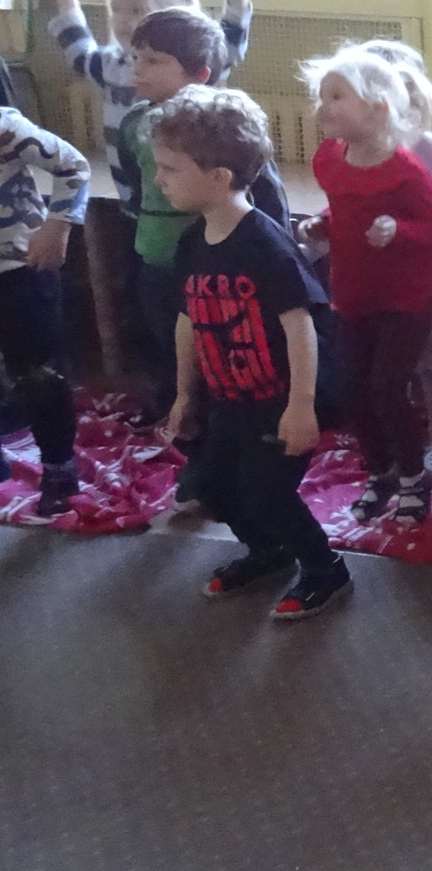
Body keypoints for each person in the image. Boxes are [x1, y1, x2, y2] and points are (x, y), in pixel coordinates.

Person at [152, 85, 348, 620]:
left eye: (170, 169)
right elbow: (188, 320)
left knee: (267, 493)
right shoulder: (192, 242)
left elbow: (302, 327)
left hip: (279, 400)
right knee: (214, 487)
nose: (159, 179)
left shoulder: (265, 245)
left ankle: (325, 567)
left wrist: (301, 406)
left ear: (218, 177)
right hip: (229, 399)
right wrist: (184, 393)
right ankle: (268, 550)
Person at [119, 7, 290, 513]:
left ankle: (233, 465)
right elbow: (136, 187)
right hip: (158, 264)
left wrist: (278, 252)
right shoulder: (135, 125)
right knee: (176, 362)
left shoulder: (220, 130)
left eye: (153, 60)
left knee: (224, 373)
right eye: (136, 58)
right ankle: (199, 462)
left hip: (219, 273)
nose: (138, 70)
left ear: (198, 74)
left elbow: (266, 192)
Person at [298, 46, 432, 524]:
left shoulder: (405, 170)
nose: (323, 106)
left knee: (388, 387)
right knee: (352, 388)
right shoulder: (331, 158)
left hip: (404, 298)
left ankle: (413, 476)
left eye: (336, 96)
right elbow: (345, 209)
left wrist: (399, 230)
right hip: (352, 293)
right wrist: (321, 224)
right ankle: (381, 472)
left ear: (377, 108)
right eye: (323, 96)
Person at [40, 0, 256, 203]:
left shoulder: (190, 63)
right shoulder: (112, 64)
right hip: (132, 192)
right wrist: (68, 3)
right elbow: (80, 51)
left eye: (137, 10)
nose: (123, 19)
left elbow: (229, 43)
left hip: (190, 195)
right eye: (116, 9)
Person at [362, 40, 432, 476]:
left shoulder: (424, 145)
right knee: (384, 359)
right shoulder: (353, 146)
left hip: (425, 269)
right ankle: (396, 436)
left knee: (431, 356)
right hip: (374, 271)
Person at [0, 107, 89, 515]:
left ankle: (59, 469)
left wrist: (58, 224)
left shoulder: (6, 127)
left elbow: (74, 166)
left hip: (19, 269)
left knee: (39, 375)